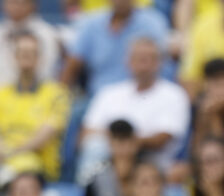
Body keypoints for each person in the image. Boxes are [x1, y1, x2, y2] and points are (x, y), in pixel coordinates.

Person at [79, 37, 190, 176]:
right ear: (128, 61)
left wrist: (125, 142)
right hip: (108, 159)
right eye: (138, 58)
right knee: (94, 147)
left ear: (159, 62)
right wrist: (122, 143)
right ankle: (91, 194)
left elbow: (163, 138)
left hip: (150, 161)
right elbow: (86, 133)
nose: (143, 65)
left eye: (148, 59)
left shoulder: (174, 94)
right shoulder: (109, 93)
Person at [0, 31, 71, 181]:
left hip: (34, 163)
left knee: (17, 167)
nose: (26, 56)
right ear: (14, 57)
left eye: (32, 52)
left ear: (40, 58)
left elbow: (43, 136)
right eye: (22, 52)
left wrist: (7, 153)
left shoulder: (57, 94)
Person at [61, 0, 170, 95]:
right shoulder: (91, 24)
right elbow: (72, 66)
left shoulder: (152, 22)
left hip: (141, 95)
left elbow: (158, 63)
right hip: (98, 98)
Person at [0, 0, 61, 102]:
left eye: (22, 2)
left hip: (35, 102)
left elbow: (47, 75)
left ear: (34, 5)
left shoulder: (48, 35)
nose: (17, 6)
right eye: (12, 2)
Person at [81, 119, 140, 196]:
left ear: (134, 143)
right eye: (117, 140)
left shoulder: (145, 171)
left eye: (126, 139)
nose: (122, 146)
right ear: (110, 142)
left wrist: (124, 180)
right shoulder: (97, 173)